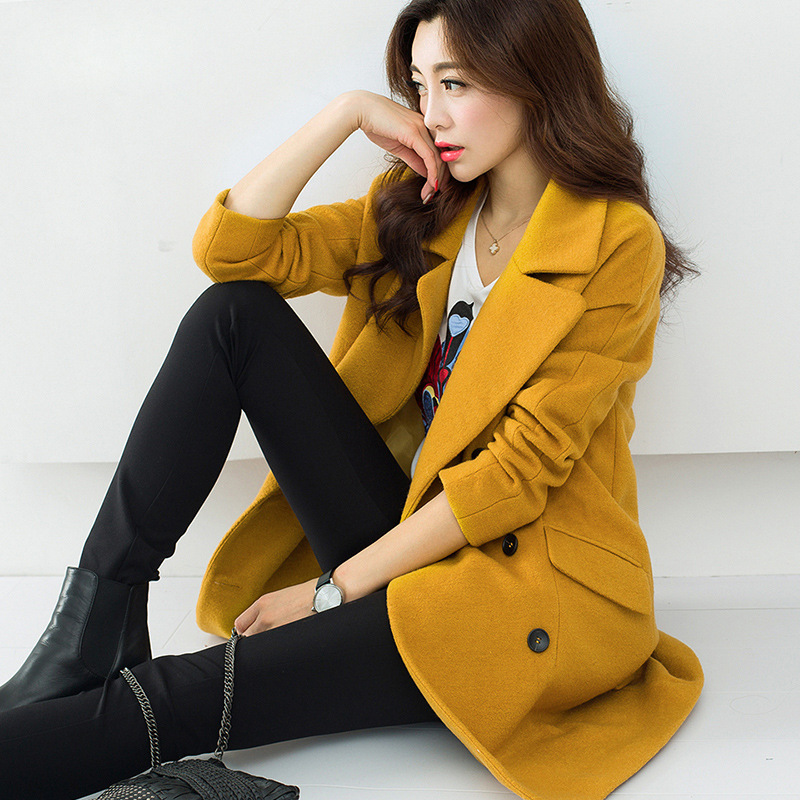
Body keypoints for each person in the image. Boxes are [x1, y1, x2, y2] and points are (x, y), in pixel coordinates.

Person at [0, 1, 705, 798]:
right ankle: (95, 622)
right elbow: (230, 253)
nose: (431, 115)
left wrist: (328, 593)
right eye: (418, 86)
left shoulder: (615, 242)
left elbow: (512, 478)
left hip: (511, 588)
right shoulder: (426, 202)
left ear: (535, 79)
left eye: (455, 83)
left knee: (181, 695)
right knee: (234, 317)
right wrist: (342, 116)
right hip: (404, 539)